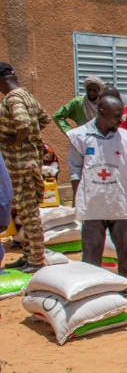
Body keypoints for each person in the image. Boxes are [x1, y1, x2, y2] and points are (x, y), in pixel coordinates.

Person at [67, 95, 127, 293]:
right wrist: (78, 197)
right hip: (93, 202)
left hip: (118, 201)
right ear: (101, 113)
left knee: (124, 247)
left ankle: (125, 283)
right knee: (92, 249)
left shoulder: (125, 138)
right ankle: (92, 286)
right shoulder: (80, 137)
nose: (120, 121)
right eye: (117, 116)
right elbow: (74, 170)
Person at [0, 62, 50, 273]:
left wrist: (15, 141)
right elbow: (44, 119)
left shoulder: (12, 98)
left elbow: (24, 122)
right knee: (26, 212)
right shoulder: (26, 95)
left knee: (29, 214)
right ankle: (29, 255)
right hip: (27, 164)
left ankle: (37, 259)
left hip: (21, 166)